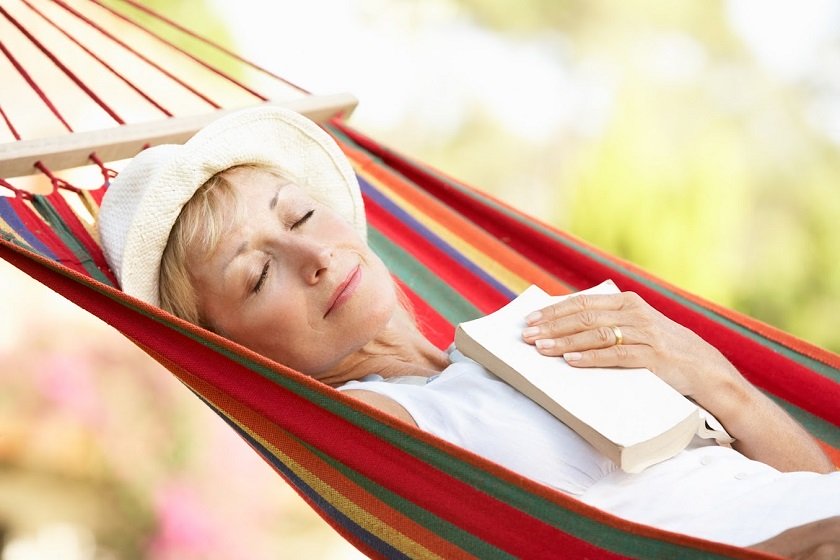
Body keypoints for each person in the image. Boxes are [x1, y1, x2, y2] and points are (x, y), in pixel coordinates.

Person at [98, 106, 840, 557]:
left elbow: (810, 489)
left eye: (298, 215)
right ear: (230, 351)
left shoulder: (528, 333)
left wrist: (719, 380)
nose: (314, 257)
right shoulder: (379, 427)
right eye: (256, 277)